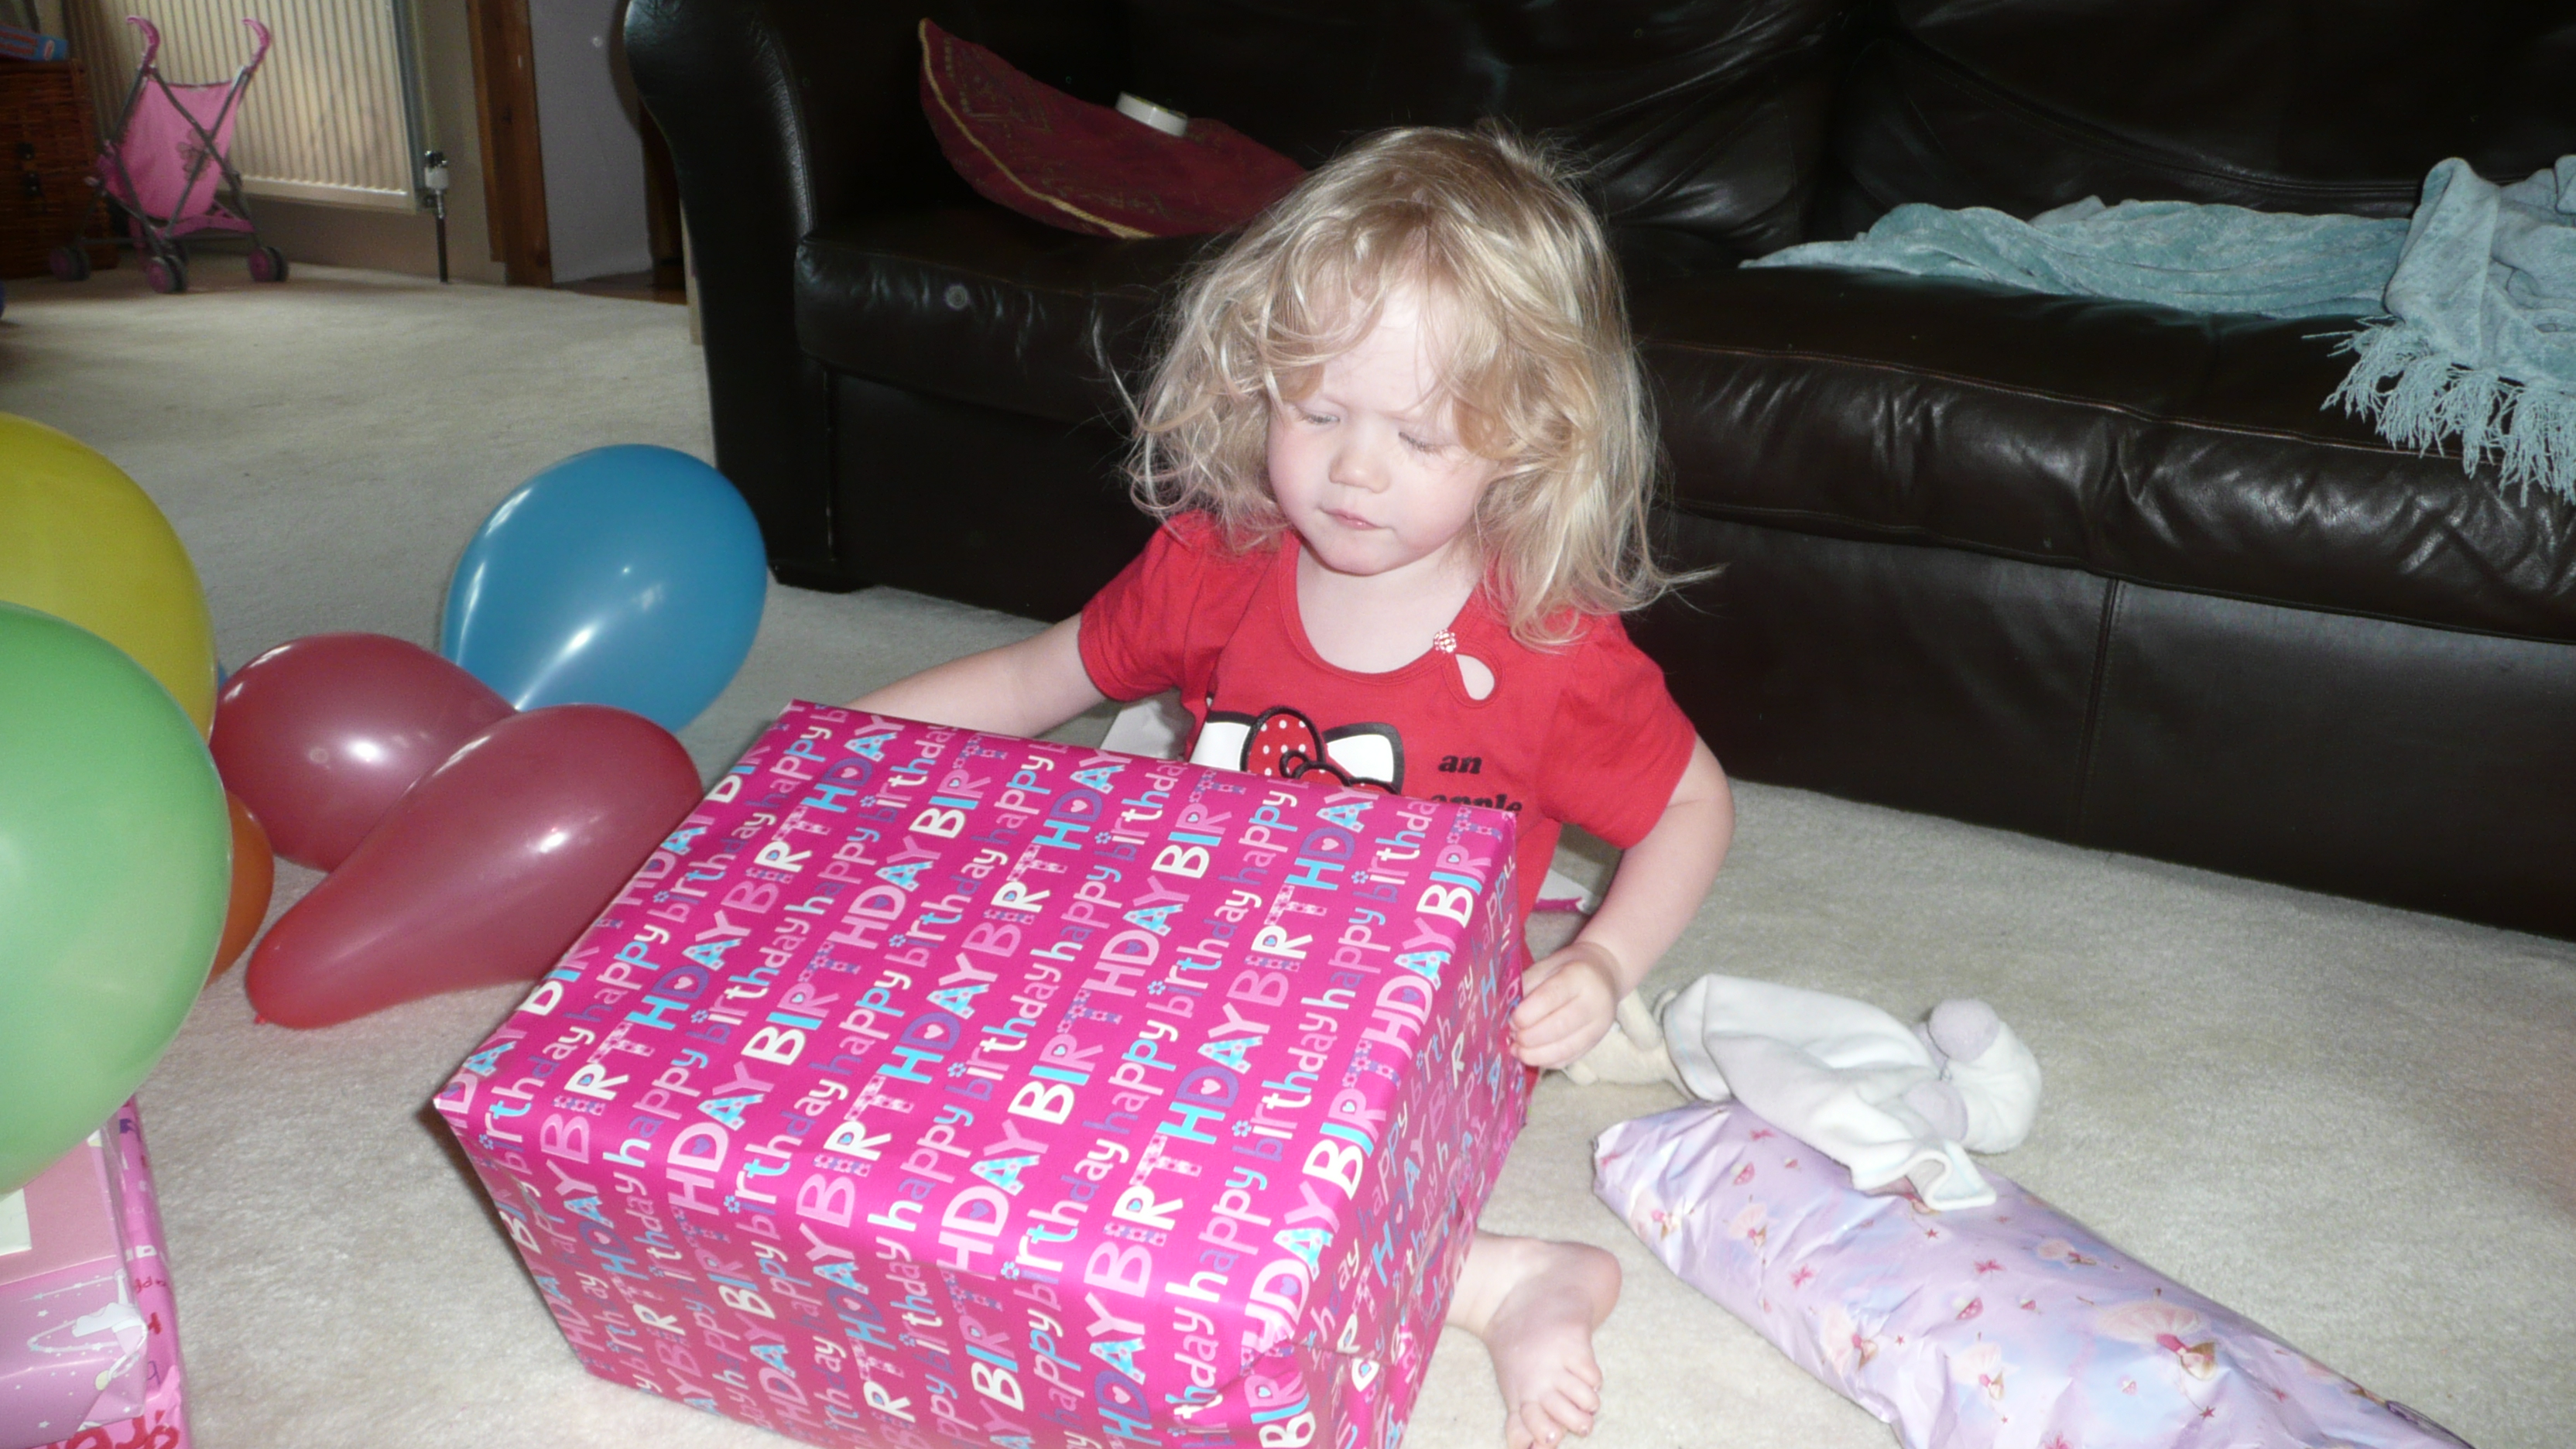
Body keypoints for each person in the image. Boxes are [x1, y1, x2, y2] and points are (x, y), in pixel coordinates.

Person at [847, 124, 1734, 1449]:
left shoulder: (1546, 653)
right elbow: (1035, 679)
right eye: (1317, 414)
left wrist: (1604, 963)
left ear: (1527, 440)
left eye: (1419, 435)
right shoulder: (1216, 563)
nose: (1355, 471)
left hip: (1416, 1040)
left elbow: (1691, 807)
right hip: (1204, 962)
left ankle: (1505, 1277)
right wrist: (828, 749)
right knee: (997, 1054)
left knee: (1231, 1195)